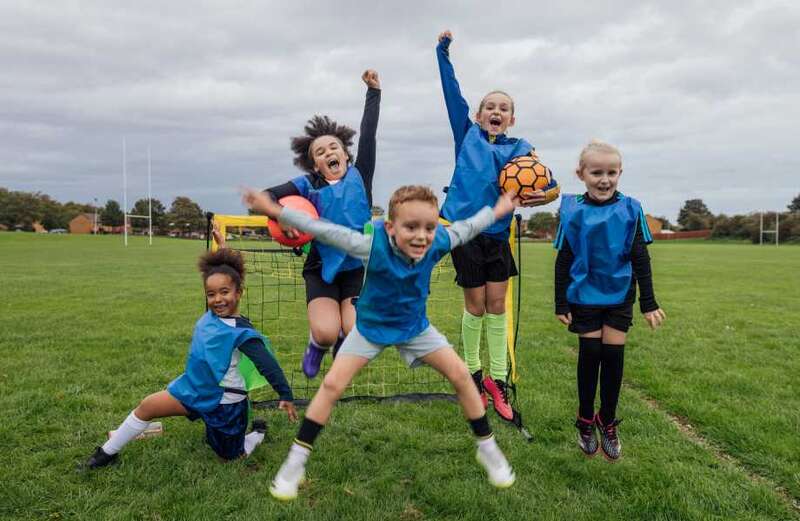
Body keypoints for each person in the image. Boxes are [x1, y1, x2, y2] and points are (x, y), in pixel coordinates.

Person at [242, 184, 520, 500]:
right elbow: (323, 229)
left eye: (429, 227)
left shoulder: (439, 241)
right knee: (332, 386)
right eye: (411, 227)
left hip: (415, 329)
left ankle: (487, 447)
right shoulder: (369, 245)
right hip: (370, 328)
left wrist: (498, 210)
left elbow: (470, 227)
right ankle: (295, 461)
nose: (421, 236)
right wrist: (277, 211)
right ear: (390, 227)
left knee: (460, 375)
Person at [83, 235, 297, 468]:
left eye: (224, 292)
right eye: (211, 294)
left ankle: (255, 434)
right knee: (148, 406)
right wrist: (222, 247)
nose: (217, 299)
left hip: (223, 403)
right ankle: (106, 454)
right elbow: (222, 274)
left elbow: (269, 365)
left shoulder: (241, 334)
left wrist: (285, 394)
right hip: (192, 389)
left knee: (230, 457)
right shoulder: (213, 316)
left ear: (239, 293)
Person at [436, 30, 560, 421]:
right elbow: (450, 93)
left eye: (503, 107)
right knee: (475, 308)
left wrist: (548, 196)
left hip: (497, 237)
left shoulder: (520, 148)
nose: (495, 110)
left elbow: (550, 183)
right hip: (466, 234)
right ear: (478, 114)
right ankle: (472, 376)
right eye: (489, 105)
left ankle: (498, 381)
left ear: (511, 118)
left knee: (496, 307)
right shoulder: (467, 134)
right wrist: (443, 52)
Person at [263, 70, 381, 379]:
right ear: (315, 163)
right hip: (322, 268)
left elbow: (369, 133)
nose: (329, 152)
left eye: (333, 147)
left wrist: (374, 93)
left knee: (356, 331)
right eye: (320, 151)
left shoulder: (361, 175)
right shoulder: (308, 185)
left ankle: (344, 339)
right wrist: (279, 215)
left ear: (345, 153)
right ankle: (319, 344)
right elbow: (266, 196)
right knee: (326, 332)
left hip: (355, 266)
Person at [553, 140, 666, 461]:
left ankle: (608, 420)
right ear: (581, 174)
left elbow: (640, 259)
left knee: (613, 357)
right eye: (597, 172)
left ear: (620, 173)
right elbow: (564, 259)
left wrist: (648, 302)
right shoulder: (572, 210)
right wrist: (561, 302)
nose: (605, 179)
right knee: (590, 353)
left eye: (611, 173)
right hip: (585, 294)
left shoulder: (631, 208)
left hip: (619, 295)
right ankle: (586, 420)